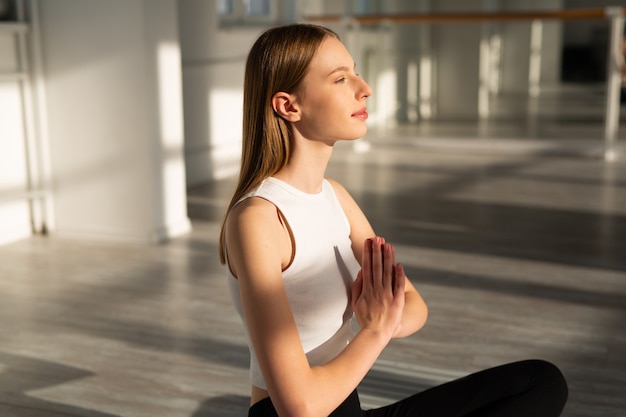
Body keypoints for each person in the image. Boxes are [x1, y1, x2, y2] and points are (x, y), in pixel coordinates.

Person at [219, 23, 568, 417]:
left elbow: (415, 306)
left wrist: (381, 313)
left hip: (347, 407)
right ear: (289, 106)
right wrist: (376, 328)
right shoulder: (259, 219)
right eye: (340, 78)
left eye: (355, 71)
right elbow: (299, 408)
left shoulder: (336, 197)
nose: (363, 87)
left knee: (541, 382)